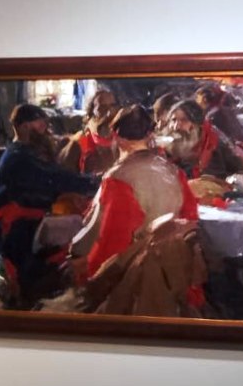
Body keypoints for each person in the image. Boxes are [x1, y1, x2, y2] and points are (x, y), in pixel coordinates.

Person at [66, 105, 205, 315]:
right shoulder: (173, 171)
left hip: (132, 275)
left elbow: (105, 236)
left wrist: (75, 251)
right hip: (173, 267)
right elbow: (190, 219)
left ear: (117, 137)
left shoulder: (117, 177)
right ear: (149, 135)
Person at [0, 104, 99, 307]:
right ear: (24, 126)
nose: (45, 128)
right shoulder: (19, 158)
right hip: (17, 231)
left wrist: (71, 193)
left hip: (28, 223)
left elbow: (51, 181)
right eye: (40, 123)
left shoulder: (25, 152)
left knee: (75, 225)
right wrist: (96, 182)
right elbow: (55, 178)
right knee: (28, 286)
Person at [163, 100, 243, 189]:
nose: (176, 126)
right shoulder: (167, 149)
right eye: (173, 120)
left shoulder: (214, 148)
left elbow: (221, 183)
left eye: (184, 120)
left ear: (197, 124)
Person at [58, 87, 118, 175]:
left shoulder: (123, 138)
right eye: (102, 106)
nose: (109, 111)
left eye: (112, 105)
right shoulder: (79, 142)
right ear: (92, 110)